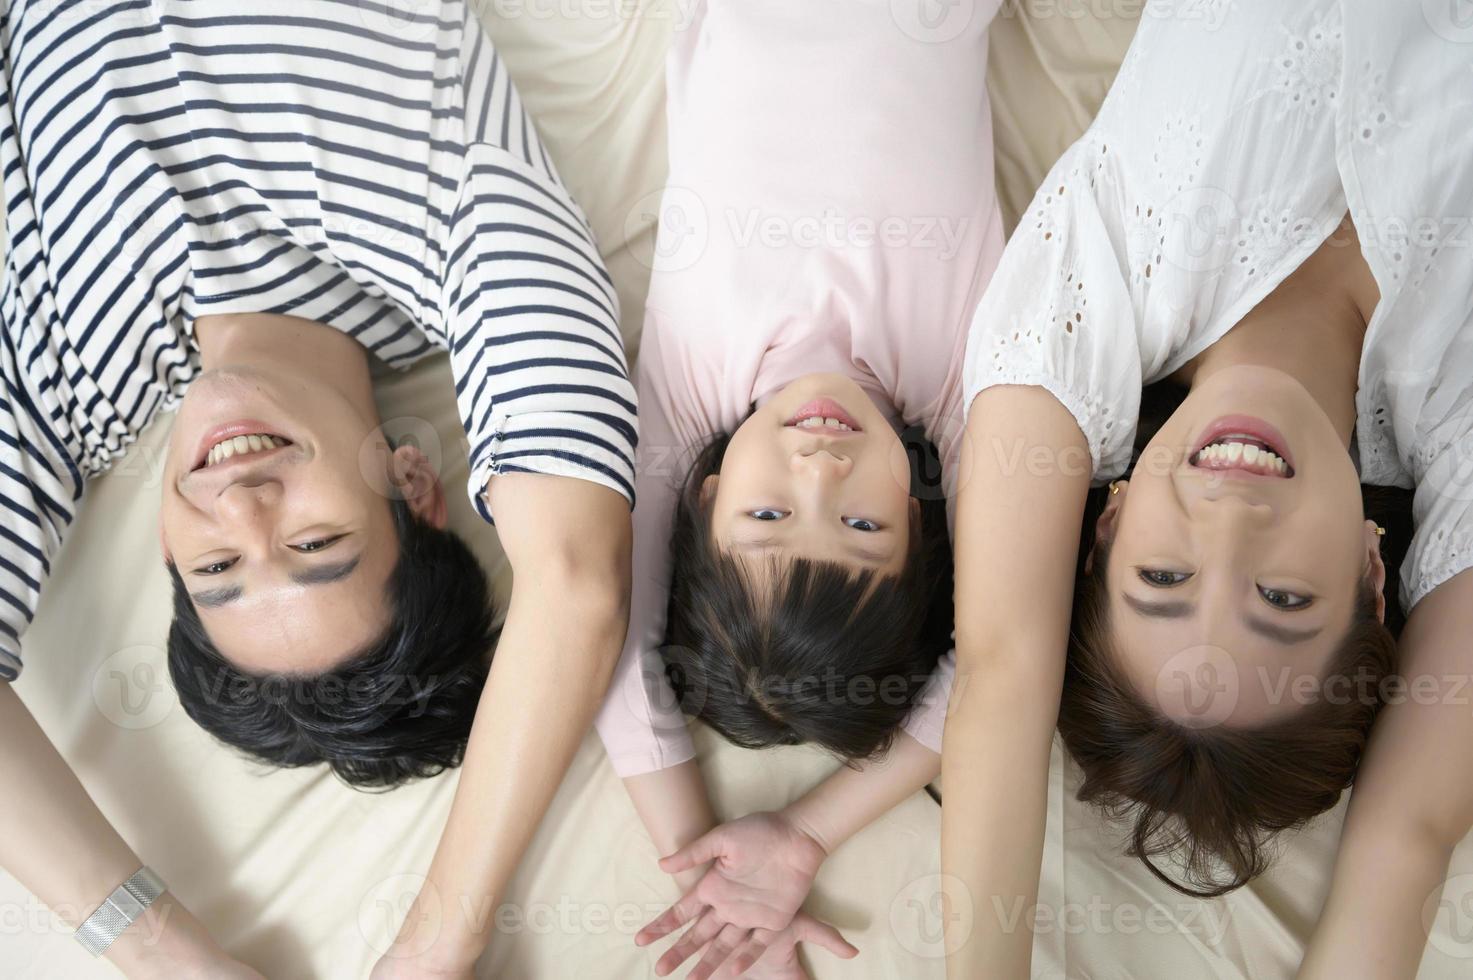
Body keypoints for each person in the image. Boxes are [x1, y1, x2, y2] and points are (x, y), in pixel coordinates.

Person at [1, 1, 634, 975]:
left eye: (217, 565)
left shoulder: (60, 387)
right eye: (312, 544)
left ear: (164, 546)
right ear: (414, 480)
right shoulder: (454, 225)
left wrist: (175, 958)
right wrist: (437, 939)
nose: (243, 505)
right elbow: (577, 581)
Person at [939, 1, 1472, 975]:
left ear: (1104, 521)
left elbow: (1002, 669)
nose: (1229, 525)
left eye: (1163, 575)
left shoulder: (1096, 287)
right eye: (1283, 598)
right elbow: (1407, 838)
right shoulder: (1459, 407)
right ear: (1371, 571)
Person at [594, 0, 1005, 974]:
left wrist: (709, 871)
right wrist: (808, 832)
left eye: (769, 514)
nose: (819, 468)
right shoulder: (964, 381)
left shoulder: (695, 385)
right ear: (917, 513)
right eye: (862, 521)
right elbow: (993, 661)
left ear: (703, 499)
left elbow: (610, 649)